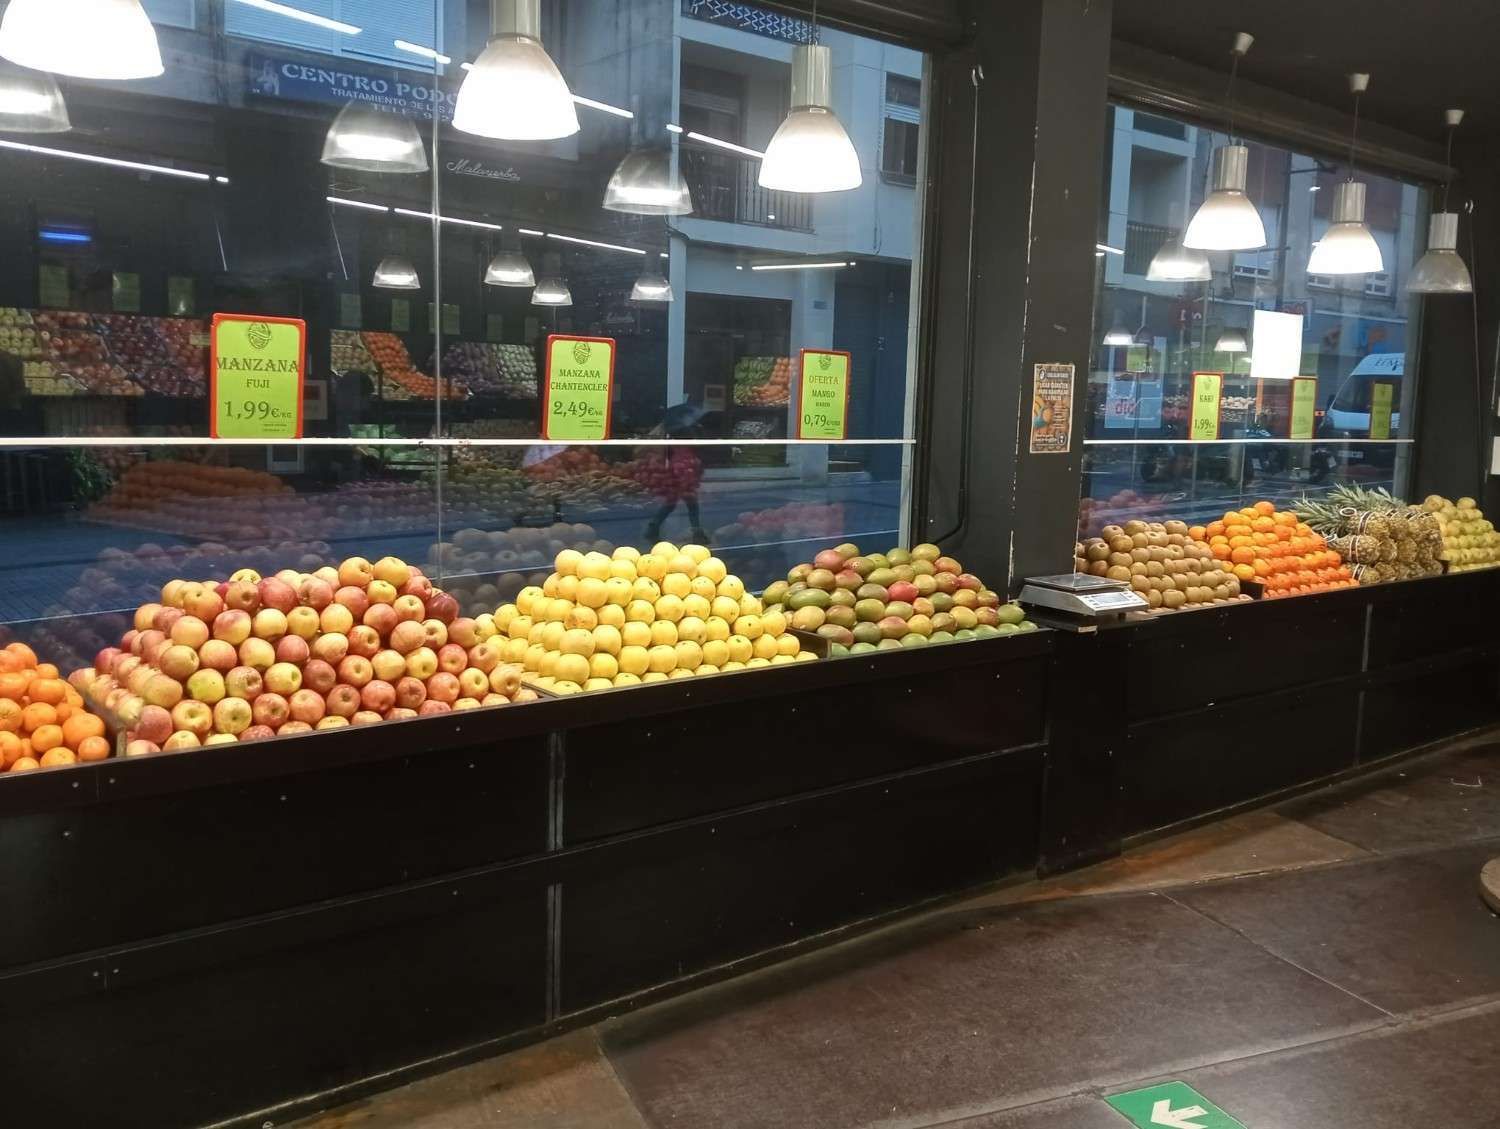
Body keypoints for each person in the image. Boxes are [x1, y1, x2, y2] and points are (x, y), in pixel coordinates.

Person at [643, 402, 708, 545]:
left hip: (678, 470)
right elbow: (692, 453)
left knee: (672, 503)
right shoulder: (685, 432)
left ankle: (653, 527)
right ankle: (697, 532)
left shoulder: (673, 433)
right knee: (691, 504)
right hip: (684, 471)